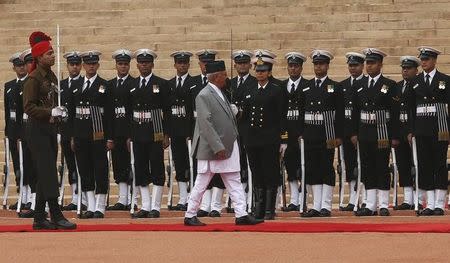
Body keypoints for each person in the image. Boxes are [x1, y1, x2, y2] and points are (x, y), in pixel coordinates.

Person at [184, 60, 263, 226]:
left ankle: (241, 214)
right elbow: (205, 124)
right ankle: (190, 214)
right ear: (216, 76)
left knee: (234, 179)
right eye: (224, 75)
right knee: (202, 181)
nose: (227, 78)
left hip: (228, 144)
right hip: (213, 148)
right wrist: (217, 146)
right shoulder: (204, 95)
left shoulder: (221, 92)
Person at [22, 31, 76, 230]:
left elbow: (51, 101)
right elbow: (28, 106)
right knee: (49, 172)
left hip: (49, 128)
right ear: (38, 57)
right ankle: (55, 213)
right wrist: (49, 111)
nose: (52, 56)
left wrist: (59, 112)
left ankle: (38, 217)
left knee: (46, 172)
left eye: (52, 53)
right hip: (36, 129)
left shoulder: (51, 75)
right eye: (48, 54)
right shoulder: (33, 78)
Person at [353, 48, 399, 217]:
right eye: (368, 63)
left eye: (372, 63)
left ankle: (384, 204)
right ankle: (370, 204)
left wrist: (394, 135)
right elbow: (356, 111)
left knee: (382, 167)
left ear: (380, 64)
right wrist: (354, 132)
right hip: (365, 131)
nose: (369, 66)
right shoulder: (359, 84)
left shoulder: (390, 85)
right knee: (367, 167)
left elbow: (394, 113)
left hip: (382, 132)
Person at [242, 51, 287, 220]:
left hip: (270, 138)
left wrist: (284, 138)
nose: (260, 73)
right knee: (257, 172)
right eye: (257, 70)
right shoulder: (249, 89)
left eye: (263, 71)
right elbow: (245, 116)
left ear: (269, 72)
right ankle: (258, 208)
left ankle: (269, 209)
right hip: (253, 139)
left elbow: (282, 116)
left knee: (271, 173)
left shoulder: (276, 90)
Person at [299, 50, 344, 218]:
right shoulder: (306, 87)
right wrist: (301, 133)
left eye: (322, 64)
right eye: (316, 64)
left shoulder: (335, 86)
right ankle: (315, 205)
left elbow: (339, 113)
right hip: (310, 133)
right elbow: (302, 111)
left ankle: (326, 205)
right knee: (312, 168)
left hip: (329, 133)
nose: (319, 67)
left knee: (326, 167)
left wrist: (339, 135)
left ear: (327, 65)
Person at [406, 47, 450, 216]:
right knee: (424, 166)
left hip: (440, 128)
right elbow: (410, 109)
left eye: (427, 59)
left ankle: (439, 203)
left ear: (434, 61)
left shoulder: (444, 80)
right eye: (422, 59)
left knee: (439, 165)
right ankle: (429, 203)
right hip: (421, 129)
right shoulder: (415, 81)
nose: (423, 62)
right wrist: (410, 130)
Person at [69, 50, 112, 219]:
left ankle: (100, 206)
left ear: (98, 65)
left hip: (98, 132)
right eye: (88, 64)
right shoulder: (76, 85)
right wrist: (72, 136)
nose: (91, 66)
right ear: (83, 66)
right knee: (84, 169)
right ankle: (90, 205)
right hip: (80, 133)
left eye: (94, 63)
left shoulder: (104, 85)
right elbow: (72, 114)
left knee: (100, 169)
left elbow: (108, 114)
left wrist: (109, 137)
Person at [128, 49, 170, 218]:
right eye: (141, 62)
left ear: (152, 64)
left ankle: (156, 206)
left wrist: (166, 134)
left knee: (157, 166)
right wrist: (130, 135)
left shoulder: (162, 84)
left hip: (156, 130)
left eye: (147, 62)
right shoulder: (132, 85)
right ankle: (145, 205)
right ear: (137, 64)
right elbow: (130, 113)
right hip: (138, 131)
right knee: (140, 167)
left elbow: (167, 111)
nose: (144, 65)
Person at [167, 51, 196, 211]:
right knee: (179, 163)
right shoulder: (169, 84)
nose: (182, 65)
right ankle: (183, 196)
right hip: (175, 130)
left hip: (189, 131)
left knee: (191, 164)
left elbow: (193, 111)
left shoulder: (194, 83)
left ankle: (192, 196)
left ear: (189, 64)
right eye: (180, 62)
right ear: (175, 65)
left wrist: (191, 132)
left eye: (185, 62)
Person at [107, 49, 135, 211]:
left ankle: (132, 198)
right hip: (115, 130)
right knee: (118, 164)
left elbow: (133, 112)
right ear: (116, 65)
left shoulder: (134, 83)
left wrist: (131, 135)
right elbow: (108, 113)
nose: (123, 67)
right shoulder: (109, 85)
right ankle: (122, 198)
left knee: (131, 165)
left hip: (129, 131)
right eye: (120, 64)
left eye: (125, 64)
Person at [281, 51, 309, 212]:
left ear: (301, 68)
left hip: (301, 134)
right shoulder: (281, 86)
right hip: (287, 134)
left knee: (303, 167)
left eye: (296, 66)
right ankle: (294, 200)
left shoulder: (307, 85)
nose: (293, 69)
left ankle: (303, 198)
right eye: (290, 66)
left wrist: (303, 133)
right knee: (290, 167)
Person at [338, 52, 365, 211]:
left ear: (362, 66)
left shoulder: (366, 84)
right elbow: (340, 113)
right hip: (346, 133)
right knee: (349, 166)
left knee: (364, 166)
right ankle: (353, 198)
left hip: (363, 132)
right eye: (351, 65)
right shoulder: (342, 86)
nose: (353, 68)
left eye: (356, 65)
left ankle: (364, 199)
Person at [393, 56, 420, 210]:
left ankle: (419, 198)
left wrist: (412, 131)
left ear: (416, 70)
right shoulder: (397, 87)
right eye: (403, 68)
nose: (405, 71)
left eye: (408, 68)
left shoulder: (419, 85)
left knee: (416, 164)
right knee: (403, 165)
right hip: (400, 130)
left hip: (414, 131)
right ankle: (408, 199)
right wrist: (395, 136)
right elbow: (394, 113)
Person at [60, 51, 85, 211]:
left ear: (80, 66)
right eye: (71, 64)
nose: (74, 67)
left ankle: (83, 197)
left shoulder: (84, 83)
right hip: (64, 130)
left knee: (82, 165)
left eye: (77, 64)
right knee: (70, 165)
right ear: (67, 66)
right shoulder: (60, 84)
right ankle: (75, 197)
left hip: (79, 131)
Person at [4, 52, 27, 210]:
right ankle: (21, 194)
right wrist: (7, 131)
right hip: (12, 131)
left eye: (23, 65)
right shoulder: (9, 86)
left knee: (26, 164)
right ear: (14, 68)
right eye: (18, 66)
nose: (21, 68)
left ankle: (27, 196)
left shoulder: (29, 83)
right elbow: (7, 111)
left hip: (24, 131)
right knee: (17, 166)